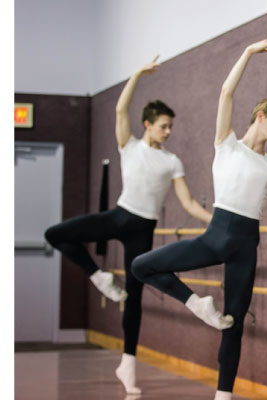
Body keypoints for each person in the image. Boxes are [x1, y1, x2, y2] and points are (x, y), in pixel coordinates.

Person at [132, 39, 267, 400]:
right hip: (215, 236)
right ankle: (196, 304)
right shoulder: (226, 145)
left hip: (246, 246)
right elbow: (226, 92)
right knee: (141, 266)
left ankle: (223, 395)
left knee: (233, 325)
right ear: (260, 116)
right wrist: (247, 52)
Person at [44, 56, 213, 395]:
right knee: (56, 234)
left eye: (170, 127)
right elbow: (121, 111)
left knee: (134, 296)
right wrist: (136, 75)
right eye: (164, 125)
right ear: (148, 124)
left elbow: (188, 202)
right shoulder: (130, 146)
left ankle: (128, 364)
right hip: (119, 216)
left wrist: (217, 219)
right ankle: (98, 276)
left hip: (142, 228)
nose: (168, 132)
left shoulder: (172, 160)